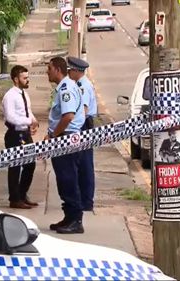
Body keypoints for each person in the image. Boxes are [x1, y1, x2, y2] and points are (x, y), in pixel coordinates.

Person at [46, 56, 85, 234]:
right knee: (64, 179)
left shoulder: (66, 88)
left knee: (68, 178)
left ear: (57, 70)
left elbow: (68, 116)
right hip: (64, 137)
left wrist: (55, 134)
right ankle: (69, 217)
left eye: (49, 68)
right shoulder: (64, 87)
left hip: (66, 139)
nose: (47, 72)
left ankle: (75, 220)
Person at [2, 65, 39, 209]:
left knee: (30, 164)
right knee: (15, 166)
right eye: (25, 78)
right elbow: (11, 117)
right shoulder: (10, 96)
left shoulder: (24, 94)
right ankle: (15, 198)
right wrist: (28, 121)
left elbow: (27, 111)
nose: (27, 80)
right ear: (16, 79)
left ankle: (22, 194)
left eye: (28, 77)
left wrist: (33, 120)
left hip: (25, 133)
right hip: (14, 134)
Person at [67, 56, 97, 212]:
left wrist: (75, 129)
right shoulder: (79, 84)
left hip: (83, 125)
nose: (69, 73)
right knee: (80, 163)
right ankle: (83, 198)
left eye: (70, 70)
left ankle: (86, 201)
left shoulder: (83, 87)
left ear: (76, 71)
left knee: (84, 163)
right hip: (83, 125)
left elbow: (83, 111)